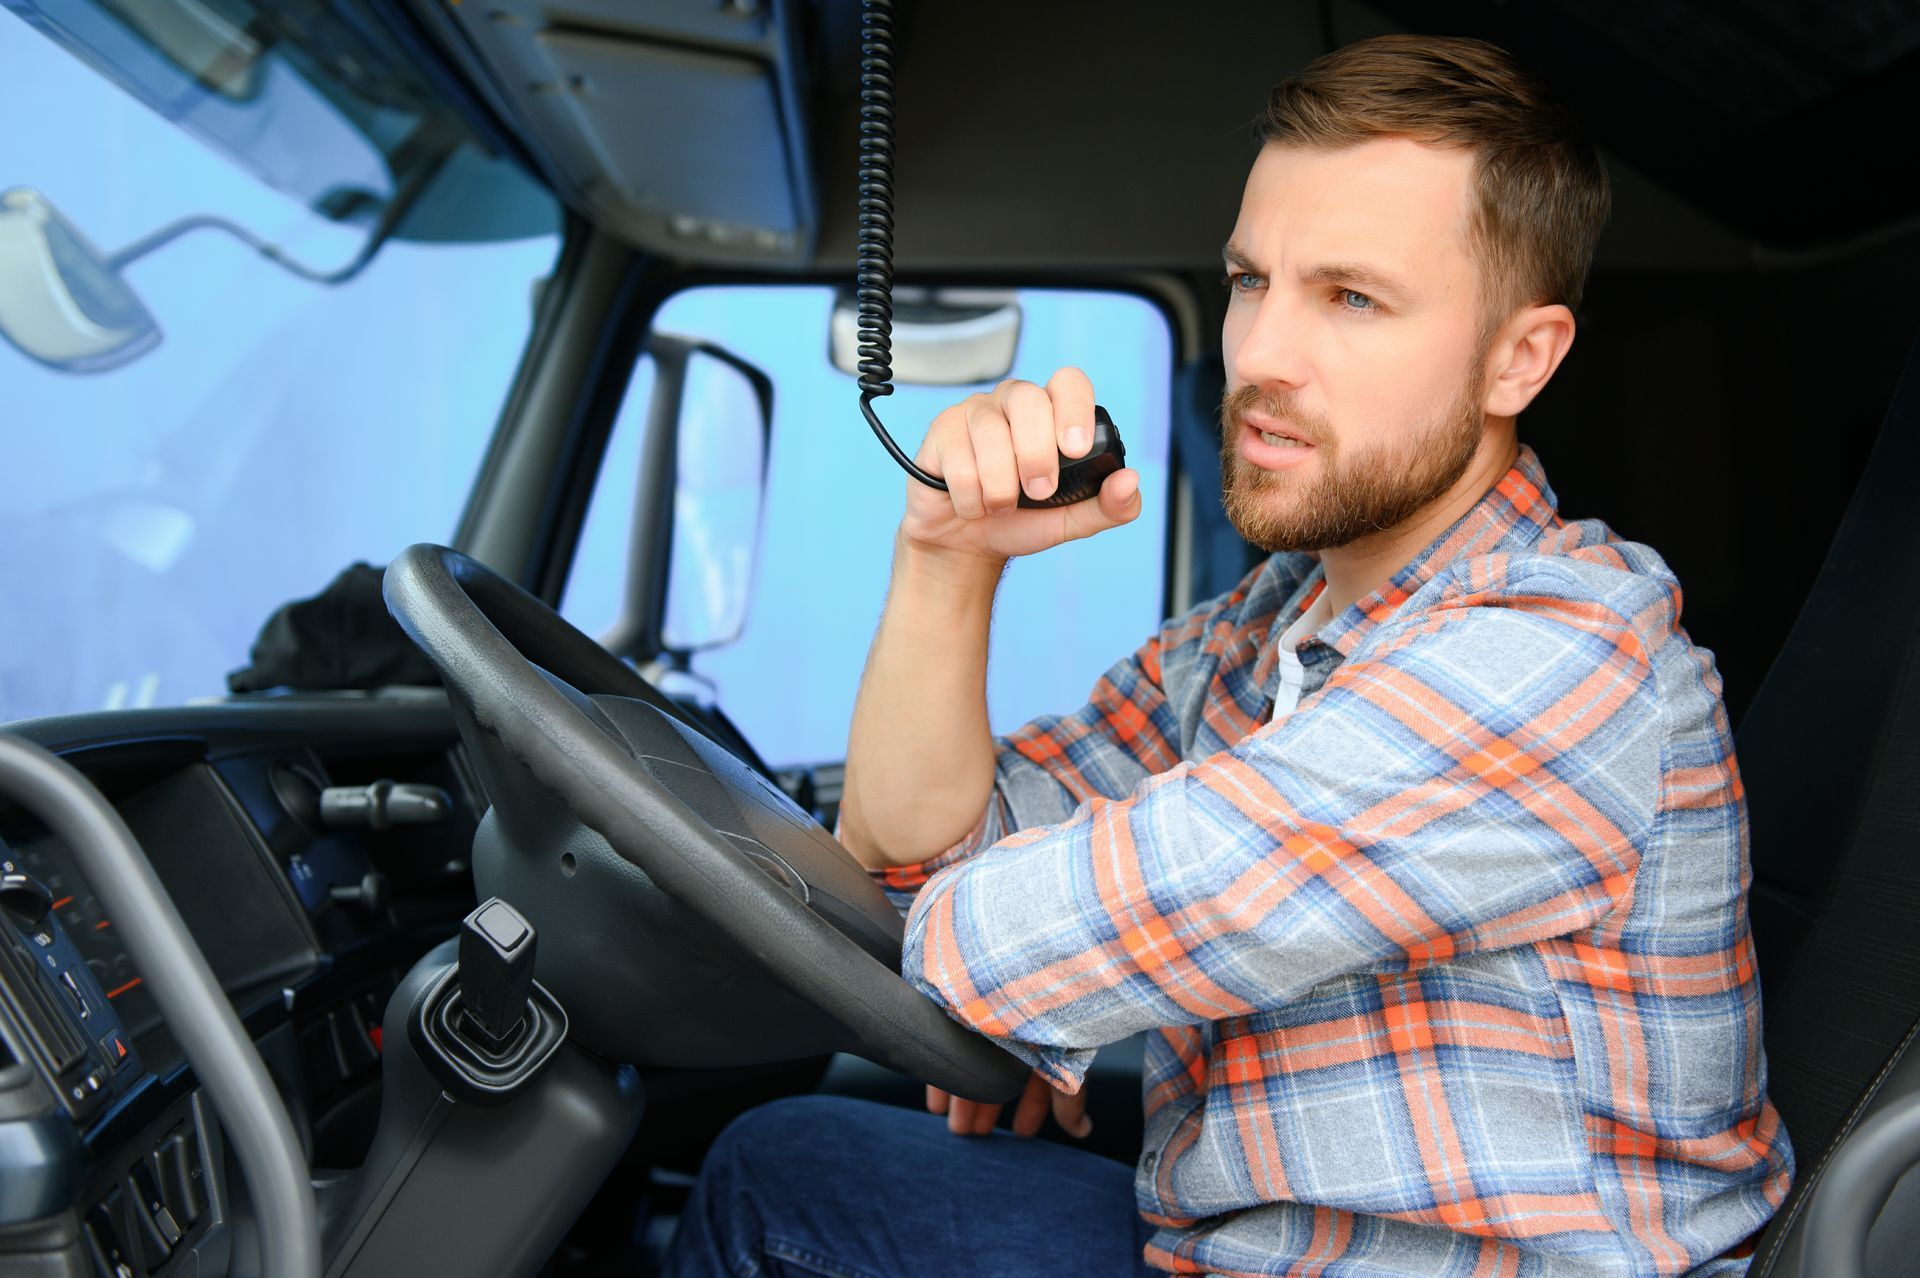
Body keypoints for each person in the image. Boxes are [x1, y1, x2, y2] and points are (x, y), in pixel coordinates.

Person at [665, 34, 1792, 1277]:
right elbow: (920, 858)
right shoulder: (1260, 628)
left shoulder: (1565, 654)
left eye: (1351, 298)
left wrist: (1035, 998)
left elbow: (1027, 936)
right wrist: (948, 559)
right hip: (1226, 1248)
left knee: (775, 1189)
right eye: (1253, 280)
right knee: (792, 1164)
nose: (1258, 356)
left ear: (1521, 358)